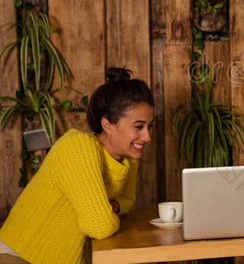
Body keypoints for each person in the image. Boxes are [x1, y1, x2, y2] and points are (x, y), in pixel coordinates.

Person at [0, 68, 154, 264]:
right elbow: (100, 227)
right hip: (19, 255)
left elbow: (126, 201)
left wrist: (110, 208)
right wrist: (109, 211)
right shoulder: (79, 146)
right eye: (139, 127)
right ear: (107, 125)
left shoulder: (127, 157)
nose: (147, 136)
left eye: (150, 126)